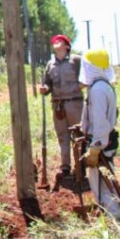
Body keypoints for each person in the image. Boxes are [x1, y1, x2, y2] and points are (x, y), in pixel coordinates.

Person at [79, 49, 120, 220]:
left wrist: (95, 148)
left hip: (101, 143)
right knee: (101, 180)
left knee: (103, 184)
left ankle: (115, 220)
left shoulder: (97, 90)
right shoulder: (103, 86)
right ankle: (110, 216)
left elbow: (101, 123)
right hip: (103, 141)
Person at [40, 34, 83, 179]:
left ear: (67, 46)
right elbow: (48, 83)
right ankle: (65, 167)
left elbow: (85, 77)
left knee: (79, 136)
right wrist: (45, 88)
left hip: (75, 103)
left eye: (60, 41)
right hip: (58, 105)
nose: (56, 43)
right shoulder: (50, 64)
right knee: (62, 137)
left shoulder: (76, 61)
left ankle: (80, 166)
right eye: (54, 41)